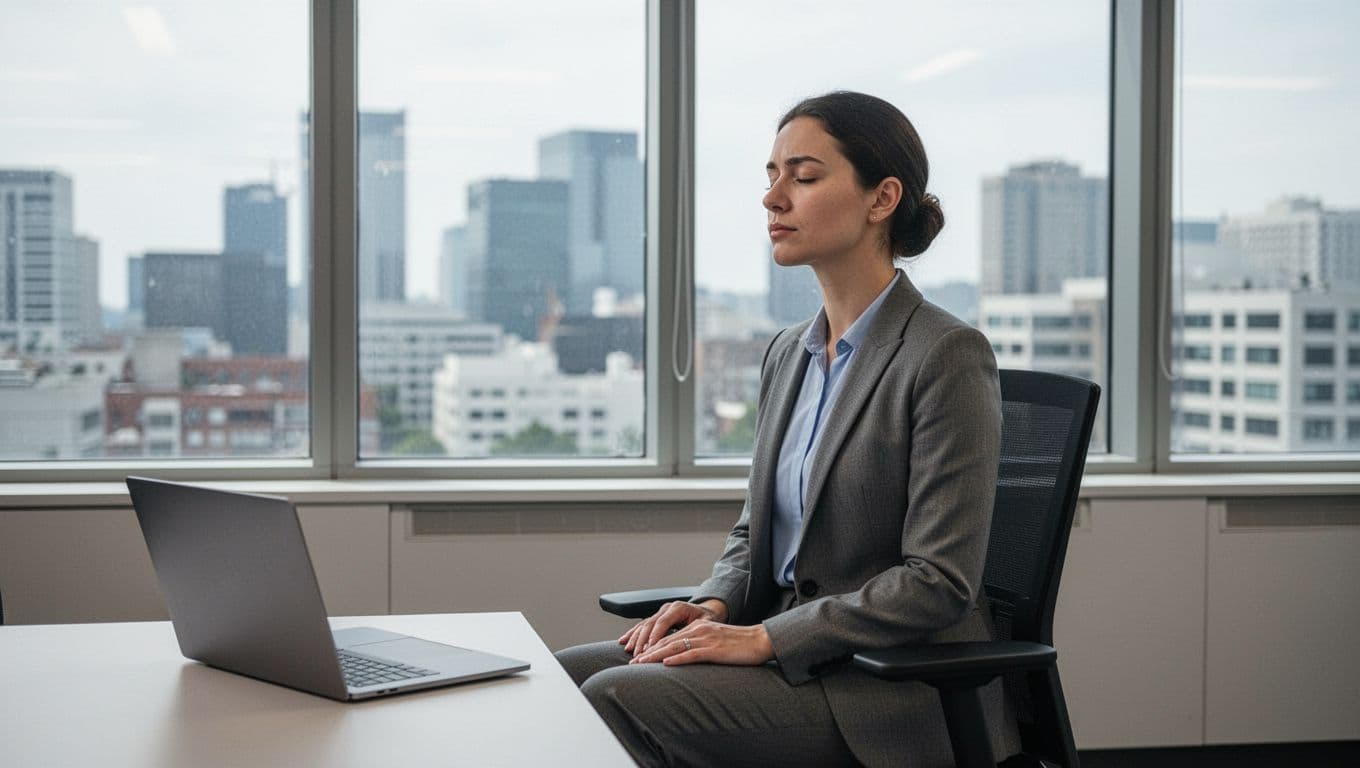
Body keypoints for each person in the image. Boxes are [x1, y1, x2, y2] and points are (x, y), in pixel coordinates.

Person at [555, 91, 1019, 768]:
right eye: (770, 177)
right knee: (562, 678)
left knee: (616, 697)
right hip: (787, 652)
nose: (773, 199)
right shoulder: (787, 353)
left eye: (802, 177)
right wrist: (713, 604)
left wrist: (766, 639)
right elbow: (755, 532)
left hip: (884, 687)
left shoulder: (945, 354)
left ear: (881, 198)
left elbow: (938, 581)